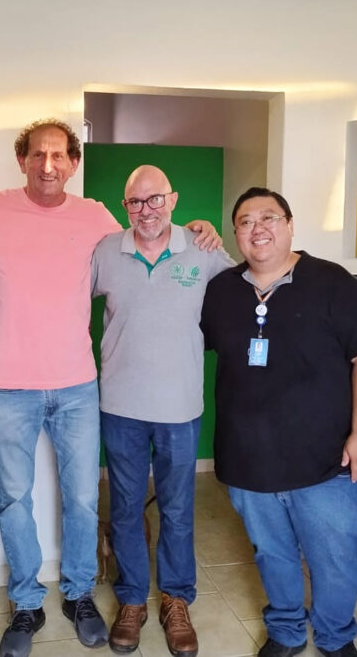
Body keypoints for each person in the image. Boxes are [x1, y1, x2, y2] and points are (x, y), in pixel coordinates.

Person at [0, 118, 220, 657]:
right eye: (37, 154)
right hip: (8, 385)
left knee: (81, 499)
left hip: (78, 386)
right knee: (13, 500)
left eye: (59, 155)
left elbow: (155, 239)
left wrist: (200, 230)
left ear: (73, 164)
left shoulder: (96, 218)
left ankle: (79, 593)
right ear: (22, 160)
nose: (48, 164)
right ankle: (27, 602)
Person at [201, 187, 357, 657]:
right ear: (235, 233)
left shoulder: (332, 282)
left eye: (269, 218)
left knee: (335, 557)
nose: (257, 228)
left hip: (324, 458)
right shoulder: (221, 290)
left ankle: (336, 637)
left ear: (290, 225)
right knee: (272, 553)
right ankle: (285, 631)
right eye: (245, 222)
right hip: (249, 457)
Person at [91, 165, 233, 657]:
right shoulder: (106, 251)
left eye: (155, 200)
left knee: (176, 509)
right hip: (120, 405)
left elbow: (243, 296)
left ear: (172, 200)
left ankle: (175, 598)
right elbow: (63, 302)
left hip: (180, 406)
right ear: (125, 206)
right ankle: (132, 599)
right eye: (135, 202)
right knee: (126, 507)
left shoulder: (203, 249)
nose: (146, 210)